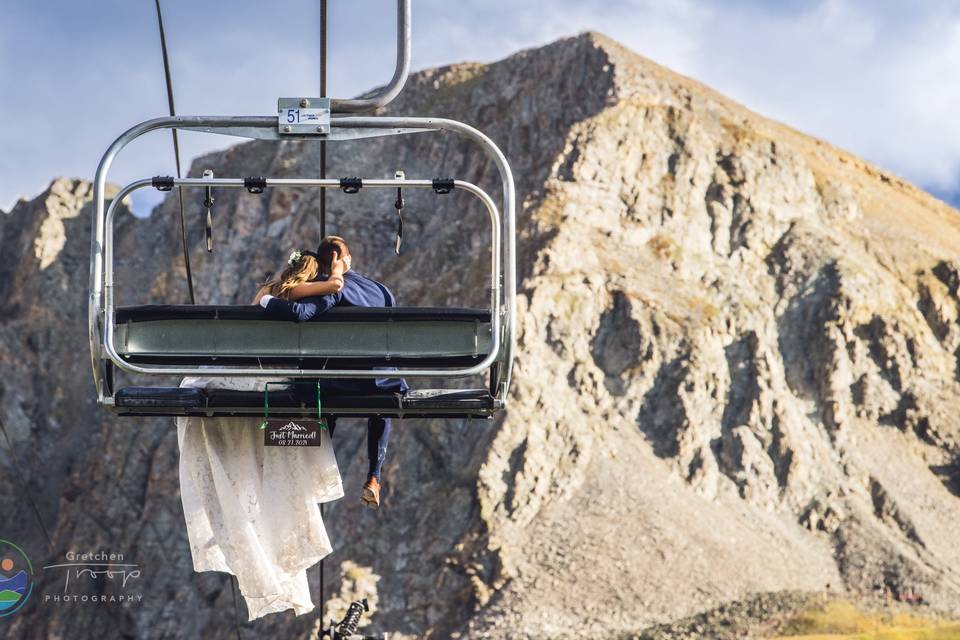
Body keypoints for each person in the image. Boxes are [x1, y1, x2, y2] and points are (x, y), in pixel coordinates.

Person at [258, 237, 408, 509]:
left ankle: (317, 472)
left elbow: (301, 313)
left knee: (319, 391)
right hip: (381, 383)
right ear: (346, 259)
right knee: (380, 403)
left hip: (336, 384)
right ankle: (374, 476)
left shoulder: (330, 290)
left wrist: (267, 299)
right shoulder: (383, 291)